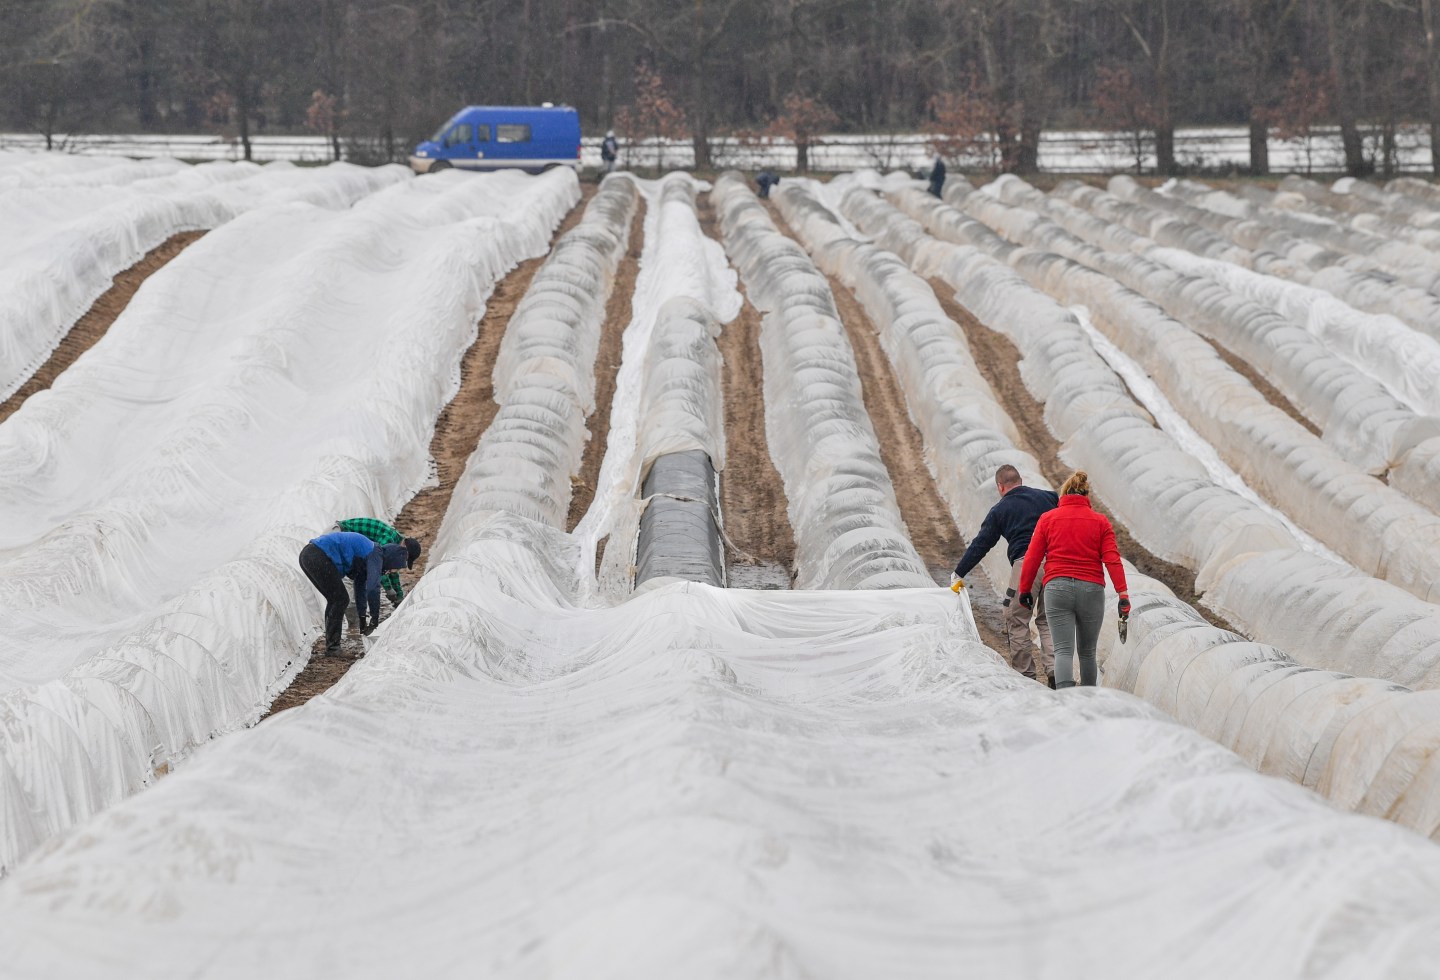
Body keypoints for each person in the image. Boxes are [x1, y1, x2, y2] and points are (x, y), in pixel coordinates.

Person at [1015, 471, 1130, 690]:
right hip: (1092, 589)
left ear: (1064, 494)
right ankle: (1088, 701)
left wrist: (1025, 590)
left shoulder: (1048, 519)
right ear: (1087, 495)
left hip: (1057, 588)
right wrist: (1123, 594)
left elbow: (1032, 558)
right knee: (1087, 652)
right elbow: (1113, 560)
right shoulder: (1100, 522)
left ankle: (1065, 703)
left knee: (1063, 651)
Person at [950, 464, 1058, 686]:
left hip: (1026, 565)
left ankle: (1025, 677)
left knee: (1017, 618)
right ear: (1021, 480)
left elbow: (981, 544)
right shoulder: (1049, 498)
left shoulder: (1000, 510)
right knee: (1049, 619)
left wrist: (959, 571)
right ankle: (1056, 672)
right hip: (1057, 564)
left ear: (1000, 487)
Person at [298, 531, 414, 655]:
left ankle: (332, 645)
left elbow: (360, 589)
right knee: (340, 599)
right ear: (391, 560)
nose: (389, 572)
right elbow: (373, 588)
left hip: (310, 555)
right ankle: (333, 648)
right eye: (391, 569)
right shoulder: (375, 554)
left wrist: (363, 619)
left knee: (335, 599)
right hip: (318, 555)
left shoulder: (368, 558)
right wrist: (374, 619)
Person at [333, 518, 421, 607]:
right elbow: (378, 565)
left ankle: (357, 617)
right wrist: (388, 589)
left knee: (357, 584)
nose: (402, 560)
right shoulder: (388, 539)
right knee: (349, 587)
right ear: (404, 547)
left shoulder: (396, 544)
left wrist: (399, 595)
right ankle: (351, 619)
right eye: (405, 557)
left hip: (344, 541)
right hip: (338, 535)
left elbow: (392, 571)